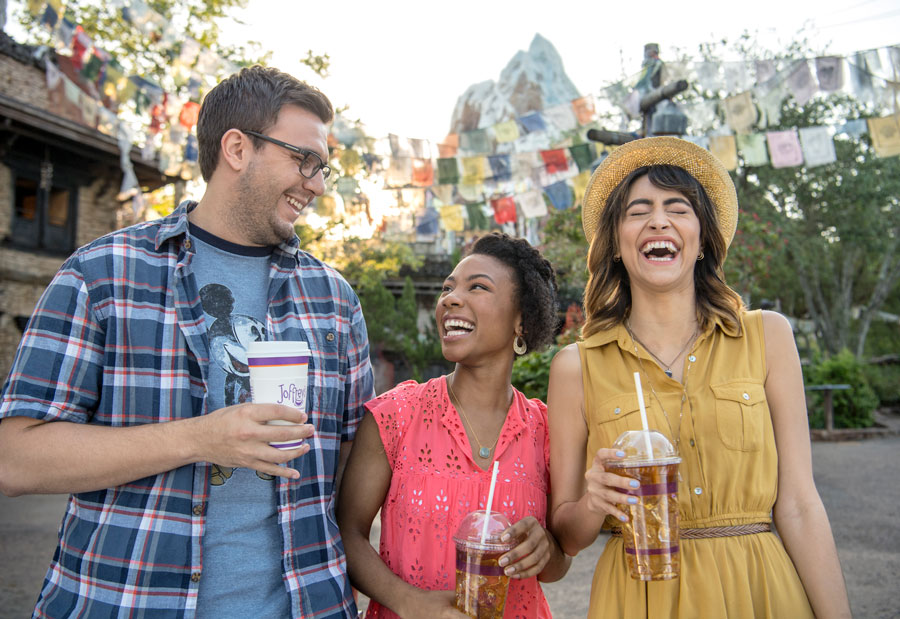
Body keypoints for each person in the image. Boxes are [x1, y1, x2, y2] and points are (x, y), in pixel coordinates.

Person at [0, 65, 374, 618]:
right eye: (305, 161)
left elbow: (349, 463)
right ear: (237, 148)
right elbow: (14, 460)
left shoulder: (333, 299)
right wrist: (199, 439)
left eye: (323, 169)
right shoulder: (102, 273)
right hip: (124, 602)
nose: (317, 184)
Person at [547, 137, 851, 618]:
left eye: (677, 208)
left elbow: (798, 504)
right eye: (637, 210)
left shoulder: (767, 336)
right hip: (639, 595)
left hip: (759, 591)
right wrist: (594, 501)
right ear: (618, 246)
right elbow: (565, 534)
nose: (658, 221)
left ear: (704, 238)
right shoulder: (575, 367)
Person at [338, 233, 571, 618]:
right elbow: (347, 534)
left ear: (521, 321)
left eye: (477, 287)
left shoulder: (546, 431)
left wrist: (545, 547)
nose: (450, 298)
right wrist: (407, 601)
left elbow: (560, 563)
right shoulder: (395, 415)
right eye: (448, 288)